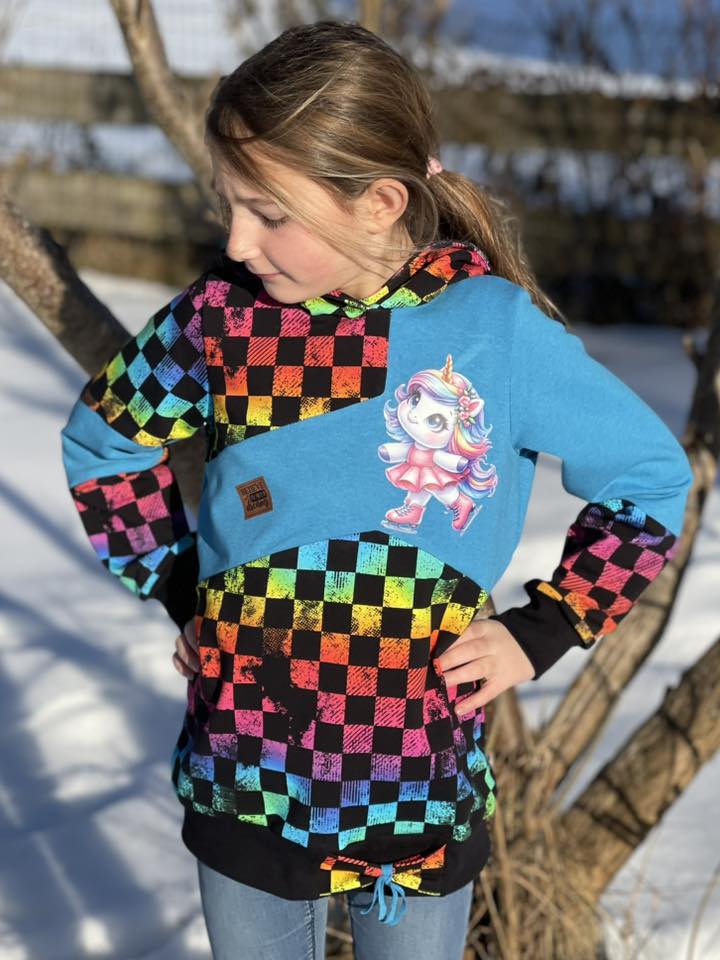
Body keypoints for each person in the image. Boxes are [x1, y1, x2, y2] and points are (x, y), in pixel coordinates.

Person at [60, 18, 693, 960]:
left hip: (418, 791)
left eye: (268, 213)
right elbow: (104, 443)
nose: (236, 239)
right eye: (229, 205)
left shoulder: (489, 332)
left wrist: (545, 629)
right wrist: (185, 590)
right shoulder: (222, 319)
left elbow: (647, 479)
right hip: (247, 780)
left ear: (380, 202)